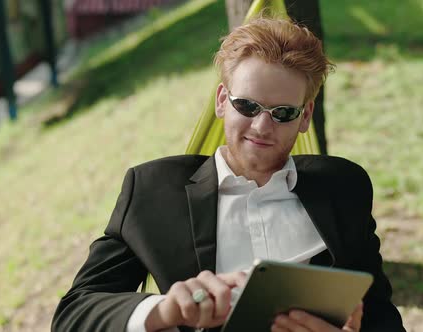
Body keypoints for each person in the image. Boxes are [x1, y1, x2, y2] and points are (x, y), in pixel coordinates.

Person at [52, 18, 405, 332]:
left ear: (305, 116)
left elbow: (379, 314)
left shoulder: (344, 187)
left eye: (283, 112)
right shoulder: (152, 191)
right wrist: (164, 309)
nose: (262, 126)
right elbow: (74, 313)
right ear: (222, 100)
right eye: (247, 106)